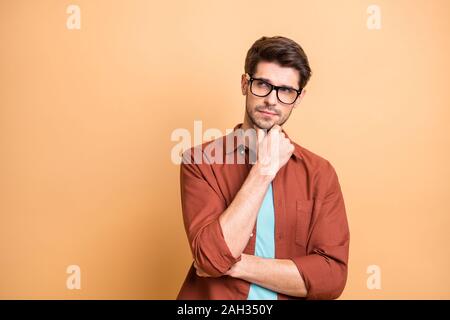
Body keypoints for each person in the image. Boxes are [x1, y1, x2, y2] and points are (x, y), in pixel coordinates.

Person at [177, 36, 349, 300]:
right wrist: (263, 171)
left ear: (299, 97)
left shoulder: (319, 173)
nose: (272, 99)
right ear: (245, 84)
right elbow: (211, 259)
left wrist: (236, 264)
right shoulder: (200, 161)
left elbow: (331, 278)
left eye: (286, 91)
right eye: (263, 85)